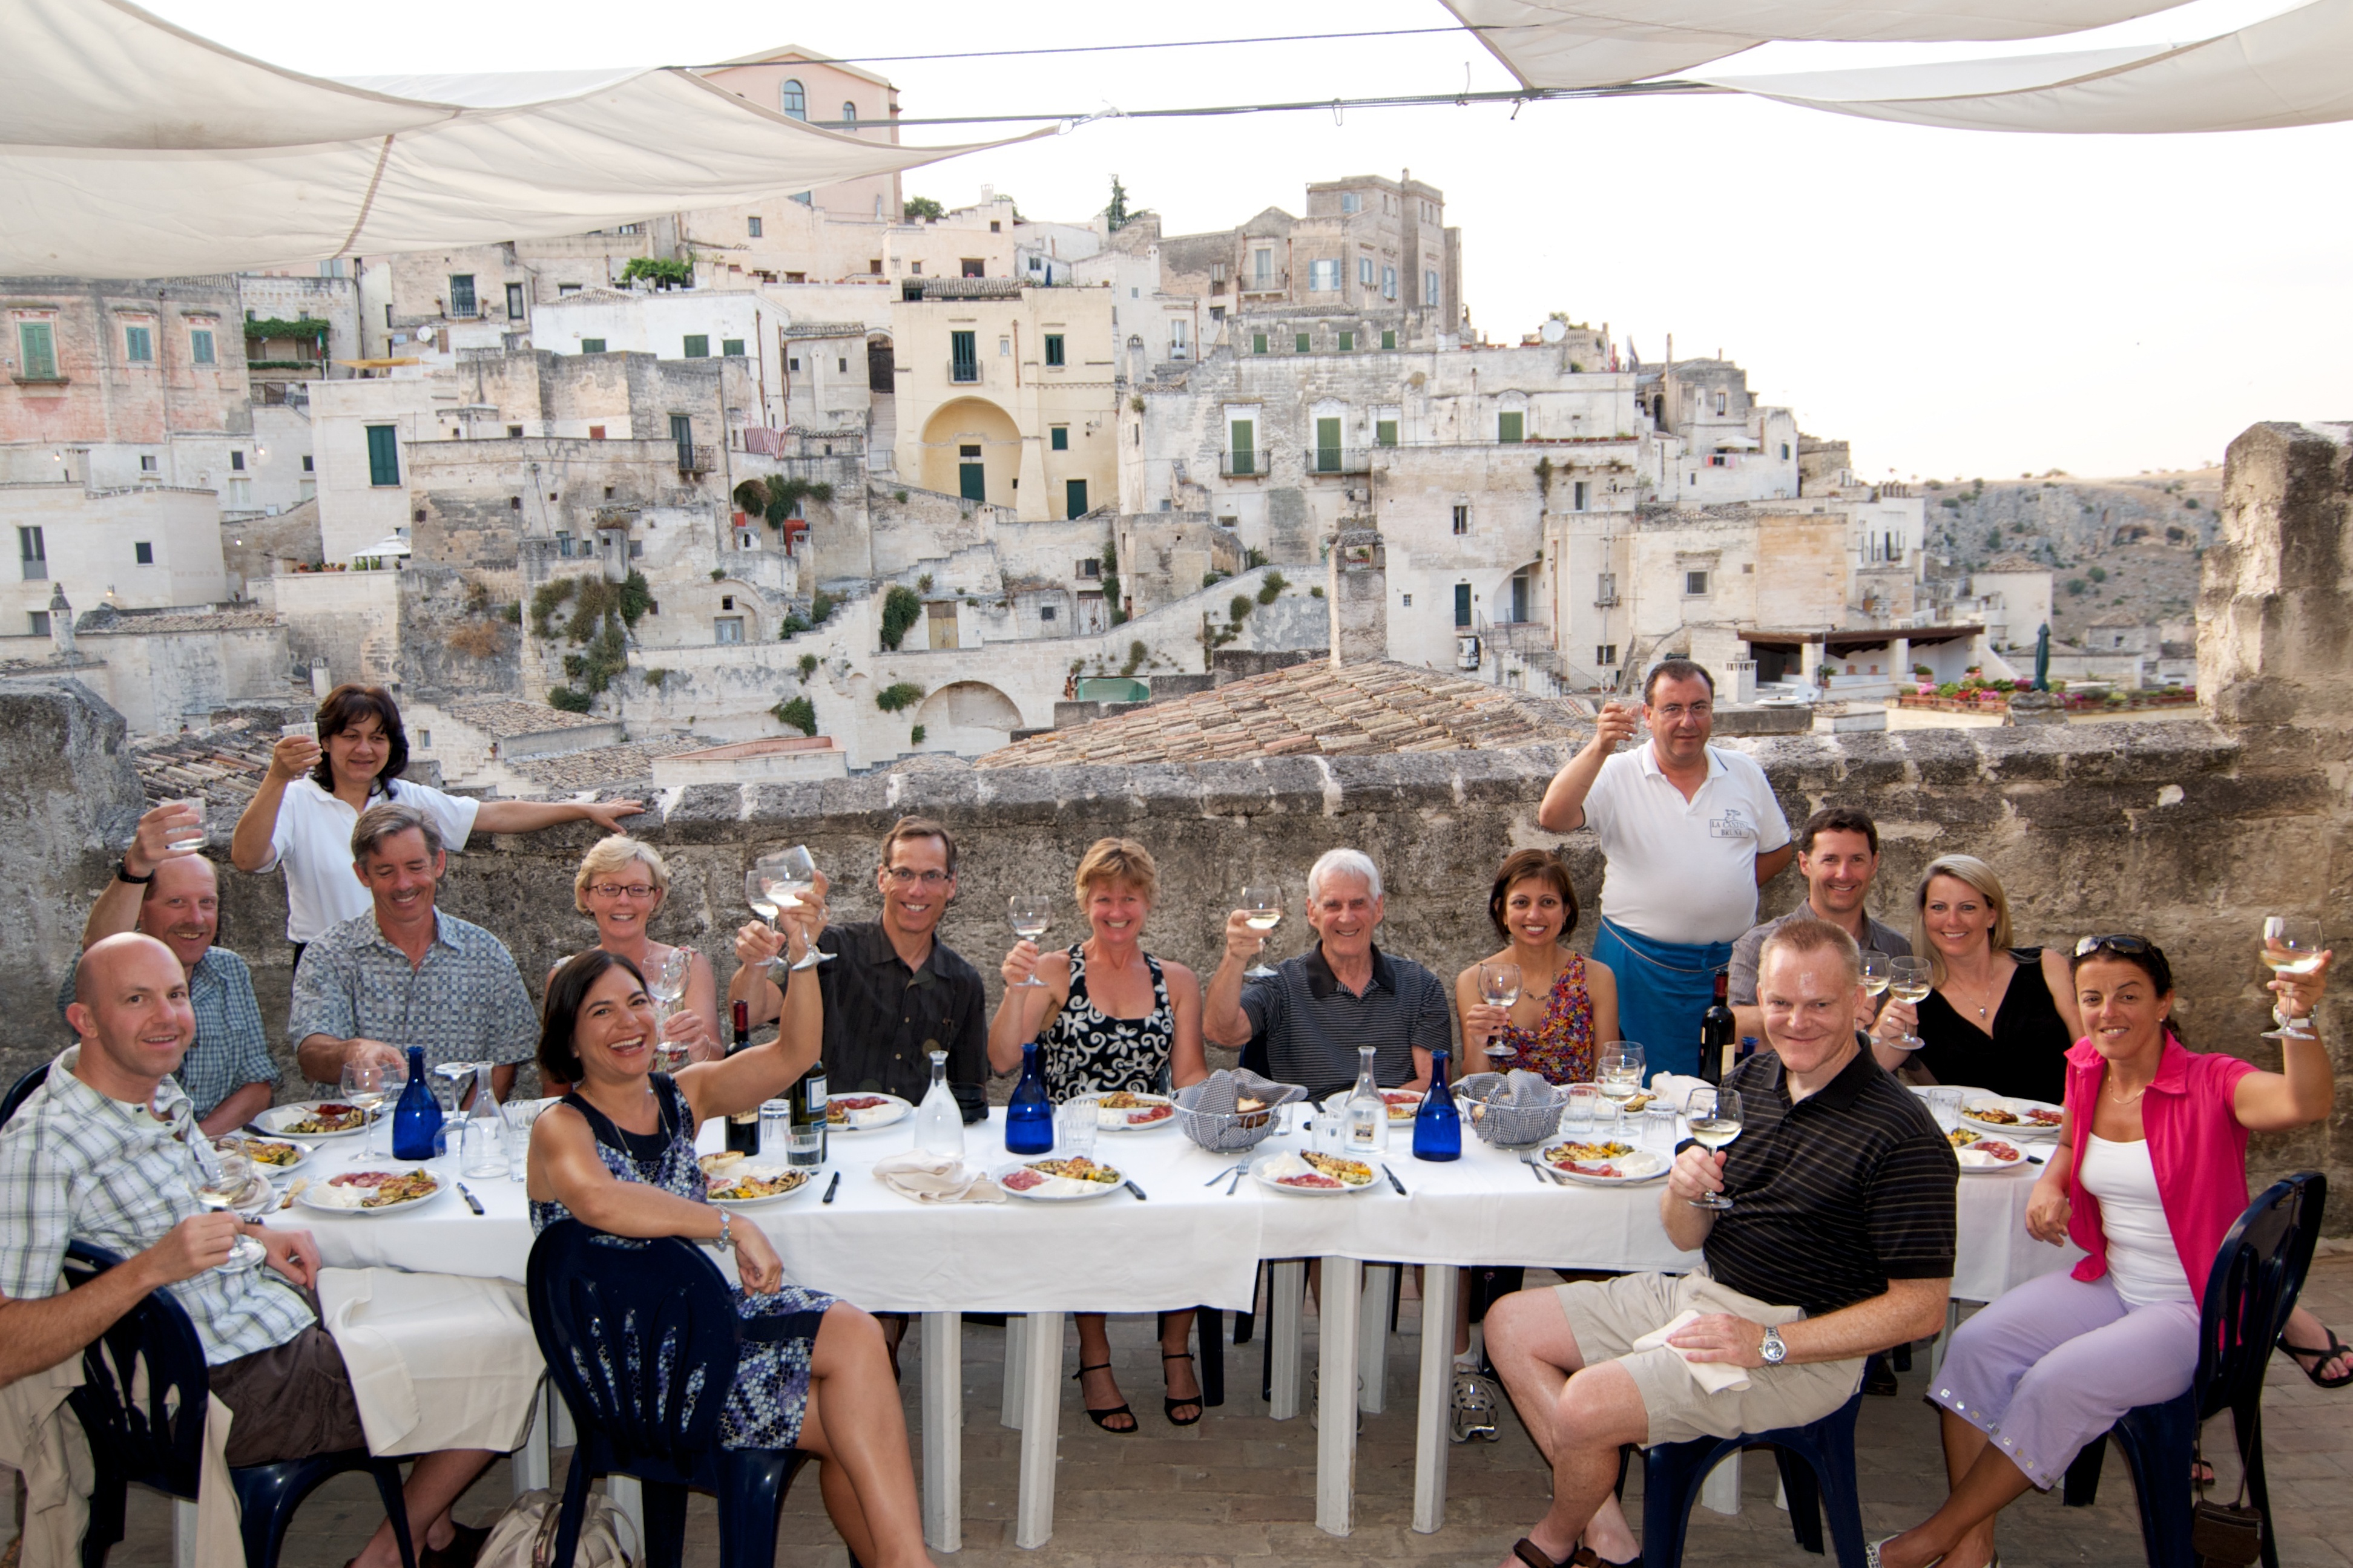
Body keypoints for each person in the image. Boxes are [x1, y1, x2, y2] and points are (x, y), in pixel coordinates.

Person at [0, 933, 493, 1567]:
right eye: (136, 998)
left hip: (261, 1316)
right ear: (84, 1018)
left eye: (176, 994)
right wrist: (152, 1267)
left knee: (486, 1296)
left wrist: (252, 1232)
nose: (167, 1016)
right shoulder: (42, 1145)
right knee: (512, 1340)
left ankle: (431, 1531)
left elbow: (193, 1205)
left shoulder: (148, 1089)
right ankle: (389, 1555)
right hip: (222, 1385)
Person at [1483, 918, 1955, 1568]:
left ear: (1857, 1002)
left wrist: (1765, 1342)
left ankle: (1555, 1536)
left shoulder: (1901, 1133)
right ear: (1758, 999)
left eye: (1819, 1003)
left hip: (1801, 1343)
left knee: (1587, 1404)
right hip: (1705, 1296)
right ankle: (1611, 1536)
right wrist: (1682, 1188)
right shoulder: (1747, 1087)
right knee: (1509, 1322)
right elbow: (1685, 1234)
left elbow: (1922, 1309)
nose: (1797, 1020)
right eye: (1780, 1002)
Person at [1869, 935, 2334, 1568]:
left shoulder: (2211, 1081)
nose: (2107, 1010)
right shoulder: (2087, 1065)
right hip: (2113, 1281)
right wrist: (2052, 1180)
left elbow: (2304, 1103)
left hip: (2192, 1306)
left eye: (2127, 995)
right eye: (2092, 997)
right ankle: (1974, 1545)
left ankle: (1934, 1535)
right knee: (1973, 1347)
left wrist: (2298, 1017)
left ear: (2163, 1002)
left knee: (2053, 1381)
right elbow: (2068, 1140)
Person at [528, 946, 942, 1568]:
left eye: (637, 1002)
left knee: (853, 1374)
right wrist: (729, 1222)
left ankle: (904, 1562)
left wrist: (800, 956)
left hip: (702, 1335)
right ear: (570, 1039)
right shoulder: (561, 1125)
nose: (628, 1022)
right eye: (602, 1011)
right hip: (634, 1379)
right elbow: (598, 1198)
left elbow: (793, 1054)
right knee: (853, 1397)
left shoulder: (681, 1096)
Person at [989, 838, 1209, 1432]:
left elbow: (1188, 1074)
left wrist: (1217, 1116)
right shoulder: (1055, 969)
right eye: (1104, 897)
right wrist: (1017, 986)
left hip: (1151, 1133)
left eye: (1129, 897)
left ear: (1148, 902)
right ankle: (1094, 1356)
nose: (1117, 910)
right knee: (1085, 1220)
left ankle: (1175, 1347)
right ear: (1084, 899)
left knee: (1195, 1203)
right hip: (1071, 1138)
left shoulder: (1178, 979)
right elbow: (1003, 1058)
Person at [231, 684, 643, 956]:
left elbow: (493, 814)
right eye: (350, 736)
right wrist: (276, 777)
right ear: (326, 742)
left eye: (377, 737)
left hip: (402, 955)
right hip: (324, 960)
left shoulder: (405, 799)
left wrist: (581, 808)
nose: (364, 749)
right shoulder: (297, 799)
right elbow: (248, 859)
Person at [1537, 658, 1794, 1077]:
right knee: (1635, 1088)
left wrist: (1723, 889)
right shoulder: (1617, 771)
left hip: (1728, 973)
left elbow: (1777, 850)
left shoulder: (1743, 772)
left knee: (1725, 1084)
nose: (1686, 721)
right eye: (1672, 708)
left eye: (1699, 707)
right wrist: (1599, 746)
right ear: (1648, 715)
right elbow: (1553, 815)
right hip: (1637, 971)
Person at [729, 817, 989, 1121]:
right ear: (882, 878)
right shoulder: (828, 948)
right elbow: (750, 1011)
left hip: (915, 1153)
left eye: (932, 876)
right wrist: (755, 965)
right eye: (903, 873)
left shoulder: (963, 981)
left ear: (951, 886)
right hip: (830, 1142)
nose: (917, 890)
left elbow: (970, 1093)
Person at [287, 802, 538, 1101]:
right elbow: (311, 1056)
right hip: (355, 1136)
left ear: (439, 863)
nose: (403, 884)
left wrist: (462, 1132)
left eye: (415, 867)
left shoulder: (487, 954)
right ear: (363, 875)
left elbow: (503, 1061)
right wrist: (352, 1052)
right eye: (385, 871)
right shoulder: (329, 953)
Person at [54, 801, 276, 1133]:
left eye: (207, 903)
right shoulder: (118, 971)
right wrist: (136, 866)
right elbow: (100, 950)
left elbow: (258, 1085)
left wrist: (193, 1146)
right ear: (141, 910)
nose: (196, 919)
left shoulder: (229, 970)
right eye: (176, 902)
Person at [1203, 847, 1451, 1100]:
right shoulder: (1281, 984)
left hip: (1393, 1126)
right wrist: (1235, 957)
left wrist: (1368, 1114)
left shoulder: (1421, 985)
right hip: (1307, 1132)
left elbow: (1433, 1081)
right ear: (1312, 912)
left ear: (1378, 908)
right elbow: (1221, 1032)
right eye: (1333, 905)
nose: (1346, 917)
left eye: (1358, 903)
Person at [1871, 855, 2082, 1103]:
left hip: (2064, 1130)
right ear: (1925, 916)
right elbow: (1865, 1078)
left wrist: (2070, 1124)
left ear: (1992, 914)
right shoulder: (1918, 1000)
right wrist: (1882, 1032)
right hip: (1976, 1141)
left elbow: (2093, 1055)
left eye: (1967, 907)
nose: (1952, 921)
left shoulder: (2046, 967)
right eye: (1939, 907)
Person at [1728, 805, 1910, 1048]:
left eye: (1857, 860)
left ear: (1874, 864)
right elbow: (1736, 1028)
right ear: (1805, 863)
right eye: (1830, 860)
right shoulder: (1759, 943)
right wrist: (1834, 1017)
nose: (1843, 874)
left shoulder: (1895, 947)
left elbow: (1906, 1044)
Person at [548, 836, 722, 1069]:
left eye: (637, 889)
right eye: (609, 889)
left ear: (655, 898)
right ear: (587, 897)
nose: (623, 901)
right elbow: (556, 1076)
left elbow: (716, 1062)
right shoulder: (566, 975)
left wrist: (700, 1045)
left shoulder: (687, 965)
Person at [1455, 849, 1619, 1084]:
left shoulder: (1597, 978)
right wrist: (1479, 1041)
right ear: (1501, 910)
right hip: (1506, 1118)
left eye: (1548, 902)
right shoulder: (1476, 980)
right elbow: (1475, 1084)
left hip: (1578, 1116)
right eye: (1521, 903)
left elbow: (1607, 1077)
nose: (1534, 915)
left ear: (1566, 911)